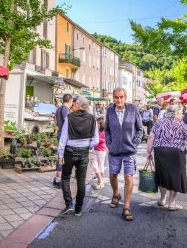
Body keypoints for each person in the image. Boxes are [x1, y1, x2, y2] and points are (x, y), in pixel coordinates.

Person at [147, 105, 187, 211]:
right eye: (181, 113)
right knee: (175, 175)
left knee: (162, 174)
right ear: (176, 113)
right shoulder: (181, 124)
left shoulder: (158, 122)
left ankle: (162, 199)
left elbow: (151, 138)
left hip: (160, 151)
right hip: (176, 152)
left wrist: (148, 153)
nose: (182, 115)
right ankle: (172, 203)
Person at [105, 88, 143, 221]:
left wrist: (134, 143)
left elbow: (140, 129)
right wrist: (109, 144)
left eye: (121, 97)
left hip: (129, 150)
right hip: (114, 150)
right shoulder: (110, 110)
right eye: (116, 97)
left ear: (125, 98)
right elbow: (107, 130)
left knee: (128, 176)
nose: (119, 100)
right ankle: (116, 194)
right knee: (113, 174)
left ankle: (126, 207)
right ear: (113, 98)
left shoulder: (133, 109)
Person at [59, 96, 99, 217]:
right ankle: (79, 209)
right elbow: (96, 140)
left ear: (79, 105)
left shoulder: (70, 117)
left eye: (75, 104)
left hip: (69, 151)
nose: (73, 105)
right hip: (83, 152)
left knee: (65, 177)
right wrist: (88, 145)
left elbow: (64, 137)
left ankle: (69, 204)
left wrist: (60, 154)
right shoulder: (92, 119)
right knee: (81, 181)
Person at [52, 94, 73, 188]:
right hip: (63, 135)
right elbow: (68, 121)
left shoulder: (59, 108)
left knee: (61, 155)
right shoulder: (65, 109)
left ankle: (58, 178)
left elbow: (55, 122)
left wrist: (57, 130)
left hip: (60, 133)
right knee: (62, 156)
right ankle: (58, 179)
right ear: (70, 101)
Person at [92, 117, 107, 190]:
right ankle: (100, 182)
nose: (96, 124)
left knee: (100, 166)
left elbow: (105, 140)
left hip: (101, 150)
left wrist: (97, 138)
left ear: (101, 124)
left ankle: (99, 182)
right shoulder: (97, 131)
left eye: (98, 123)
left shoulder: (104, 132)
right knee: (94, 166)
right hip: (96, 150)